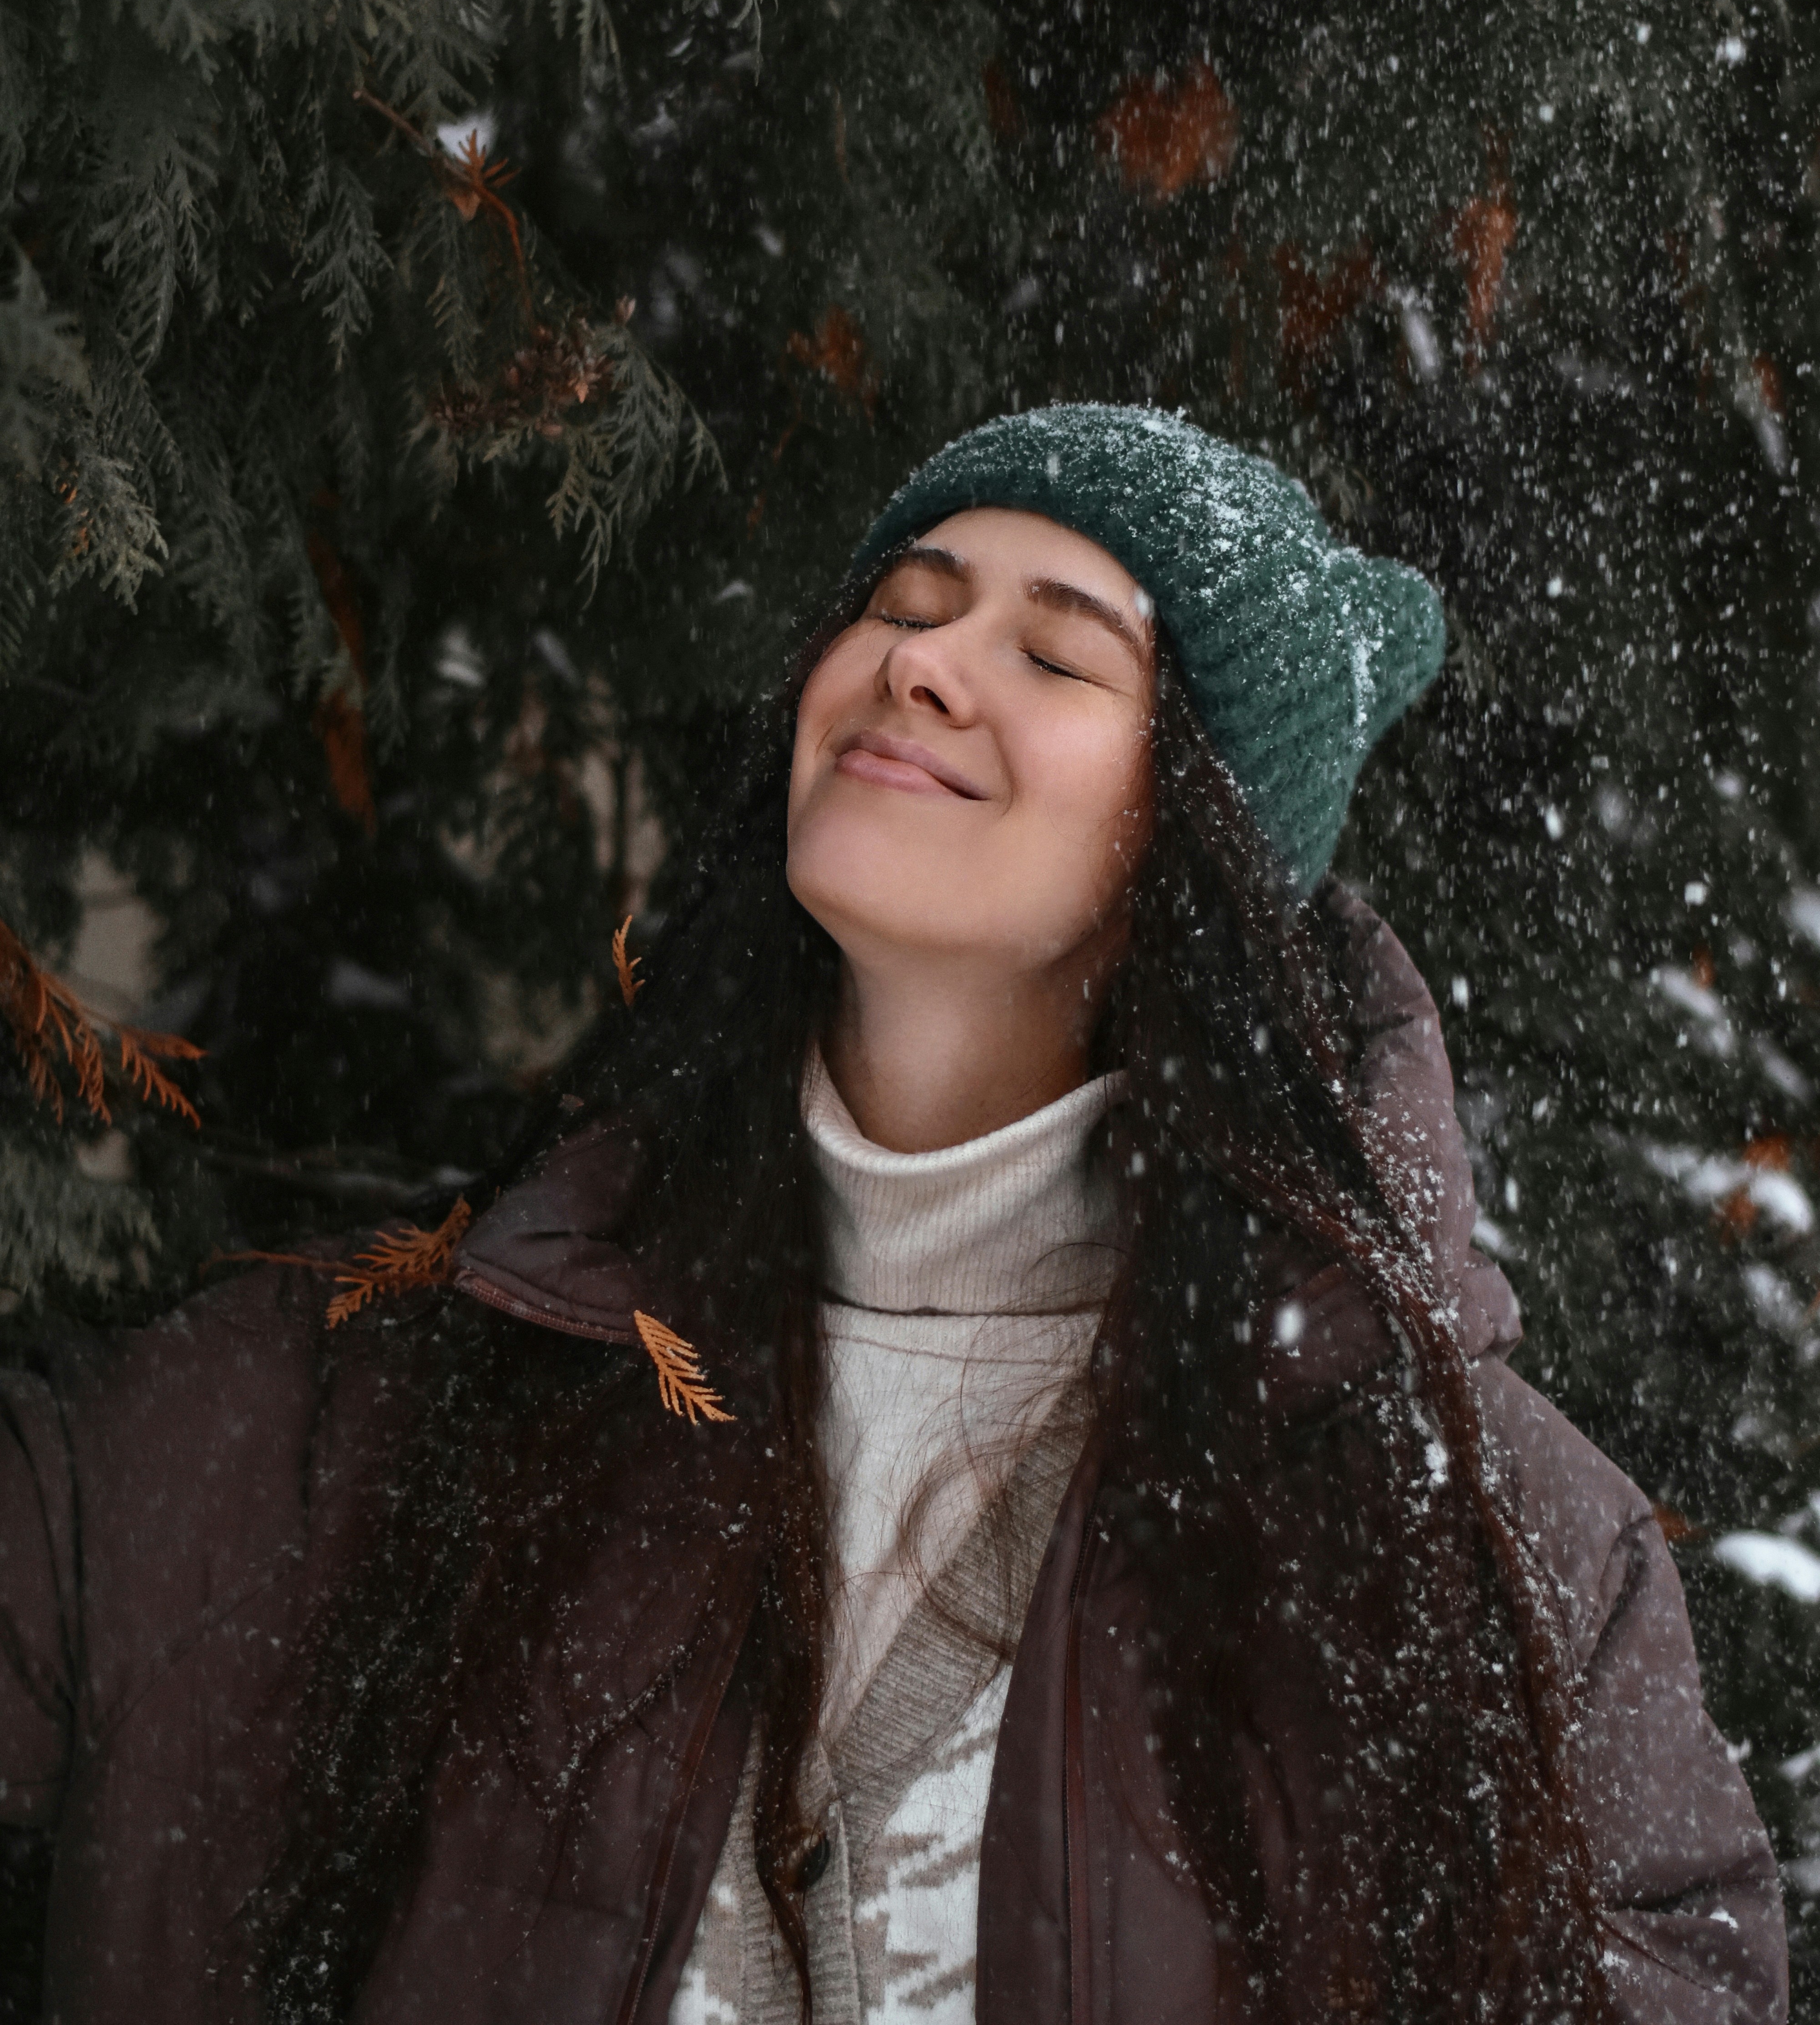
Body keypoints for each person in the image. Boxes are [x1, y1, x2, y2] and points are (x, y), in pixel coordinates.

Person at [0, 404, 1786, 2025]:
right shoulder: (426, 1399)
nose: (926, 661)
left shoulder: (1459, 1525)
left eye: (1055, 654)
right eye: (907, 602)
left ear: (1197, 840)